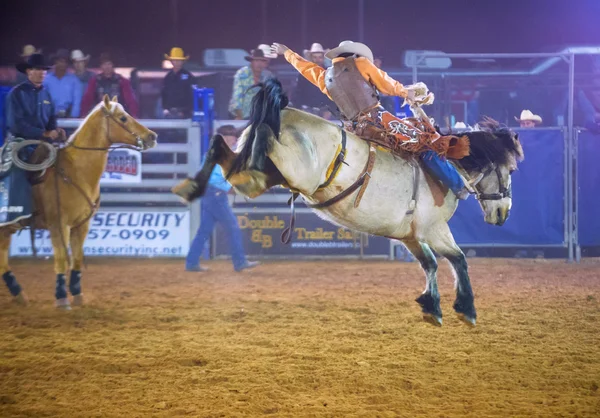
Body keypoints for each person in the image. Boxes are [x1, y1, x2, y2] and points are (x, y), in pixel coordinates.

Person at [271, 40, 470, 199]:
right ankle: (458, 185)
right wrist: (405, 92)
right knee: (425, 143)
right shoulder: (361, 64)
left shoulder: (325, 77)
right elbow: (386, 83)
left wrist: (287, 52)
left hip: (353, 129)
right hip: (377, 120)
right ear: (354, 54)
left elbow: (304, 67)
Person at [185, 125, 260, 273]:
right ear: (225, 139)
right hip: (216, 195)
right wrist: (231, 189)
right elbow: (216, 179)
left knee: (204, 230)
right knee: (232, 227)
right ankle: (239, 262)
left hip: (211, 194)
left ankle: (192, 262)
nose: (234, 140)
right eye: (232, 137)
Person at [228, 47, 273, 120]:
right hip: (240, 114)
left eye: (262, 61)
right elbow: (237, 97)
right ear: (251, 62)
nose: (259, 64)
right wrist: (239, 116)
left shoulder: (268, 76)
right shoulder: (241, 74)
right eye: (256, 60)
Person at [43, 49, 82, 118]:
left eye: (65, 62)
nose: (63, 64)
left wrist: (72, 119)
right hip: (50, 117)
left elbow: (76, 103)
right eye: (61, 61)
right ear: (55, 62)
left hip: (69, 117)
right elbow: (43, 100)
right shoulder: (46, 80)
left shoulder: (74, 80)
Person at [161, 47, 196, 118]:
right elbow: (164, 94)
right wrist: (165, 108)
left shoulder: (188, 76)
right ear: (171, 61)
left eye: (179, 60)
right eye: (174, 60)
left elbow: (191, 95)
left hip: (184, 112)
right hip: (170, 112)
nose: (176, 62)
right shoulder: (168, 77)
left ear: (183, 62)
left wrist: (186, 111)